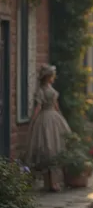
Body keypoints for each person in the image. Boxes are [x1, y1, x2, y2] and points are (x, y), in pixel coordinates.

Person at [25, 64, 71, 192]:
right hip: (45, 118)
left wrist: (61, 116)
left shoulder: (50, 88)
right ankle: (48, 182)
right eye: (52, 76)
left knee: (55, 148)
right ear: (48, 77)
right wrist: (33, 119)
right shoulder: (41, 90)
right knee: (47, 149)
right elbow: (39, 106)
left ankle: (55, 182)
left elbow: (56, 105)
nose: (53, 78)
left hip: (53, 117)